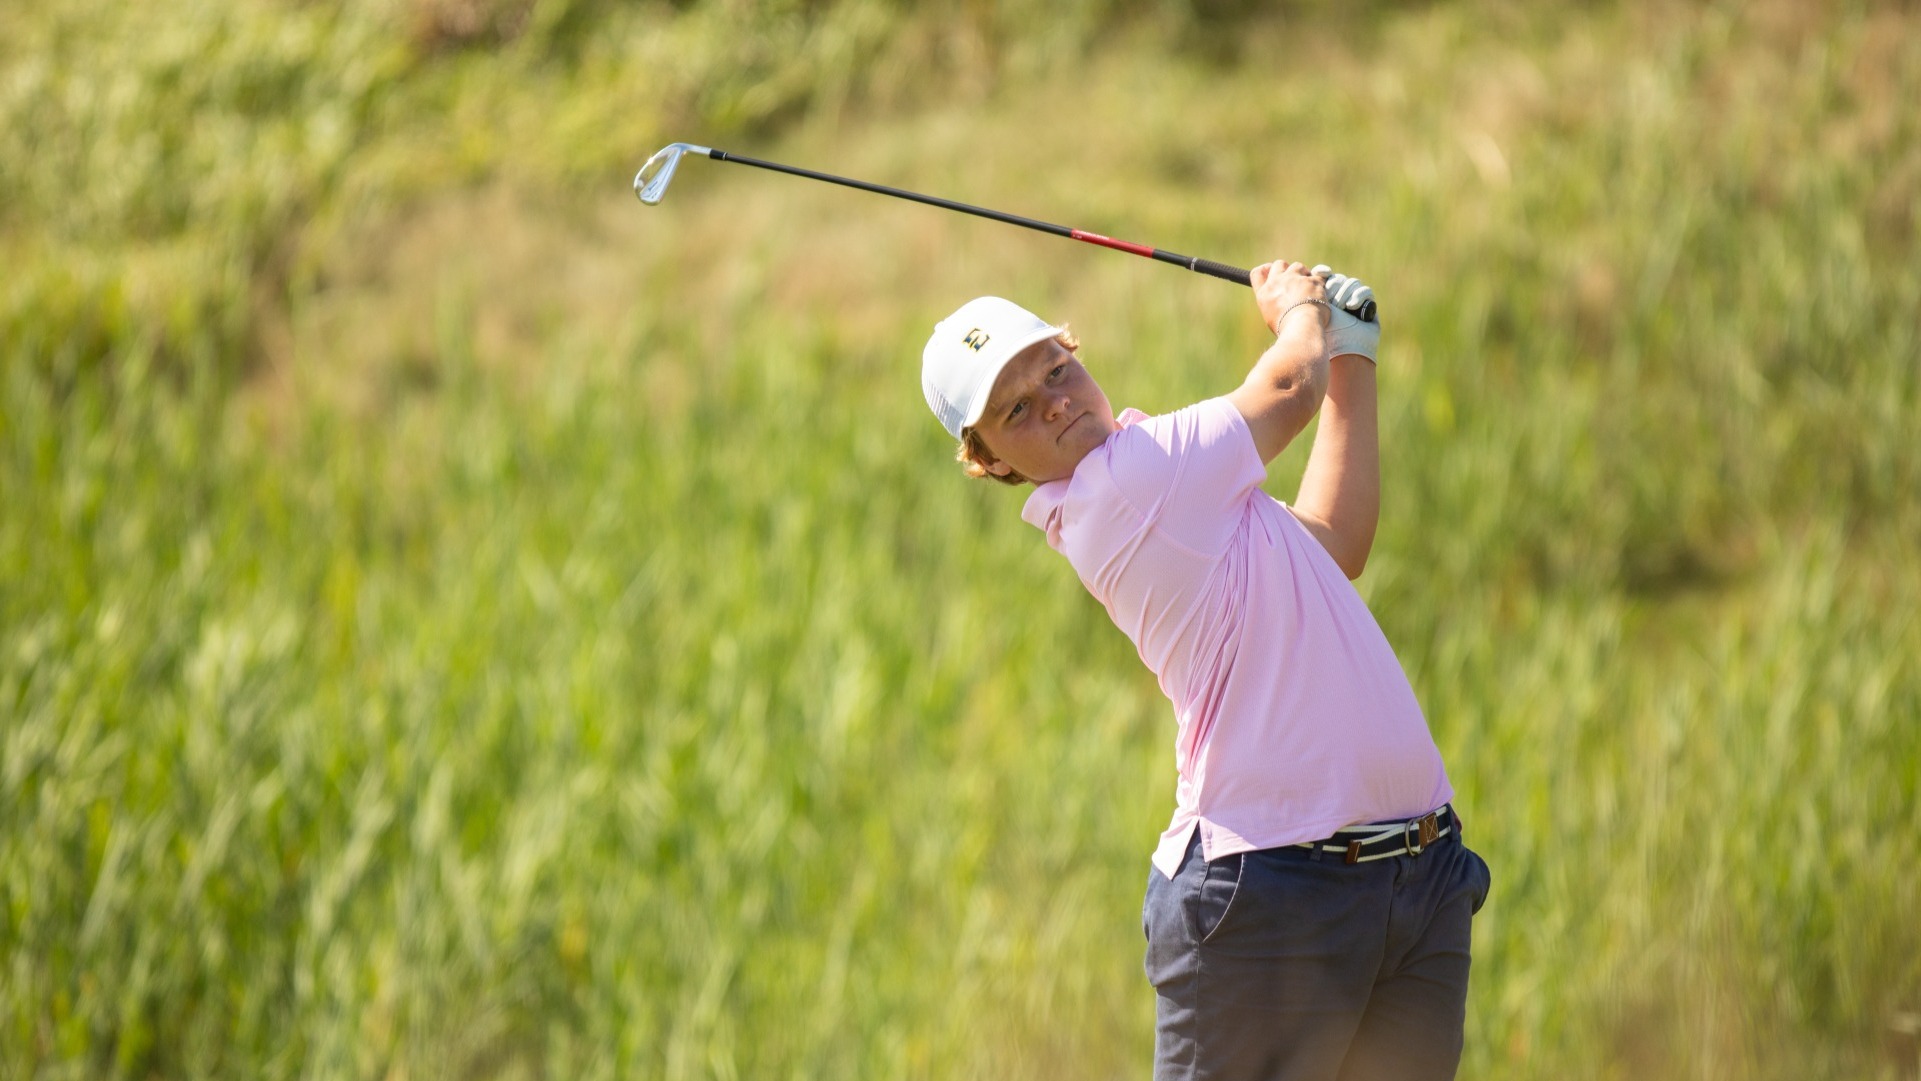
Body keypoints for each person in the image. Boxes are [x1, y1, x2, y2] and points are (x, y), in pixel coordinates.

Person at [919, 261, 1491, 1081]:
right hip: (1271, 893)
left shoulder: (1182, 493)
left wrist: (1351, 351)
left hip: (1412, 871)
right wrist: (1298, 308)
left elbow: (1335, 540)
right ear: (990, 461)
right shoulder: (1128, 483)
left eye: (1055, 368)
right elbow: (1291, 382)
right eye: (1016, 409)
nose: (1055, 401)